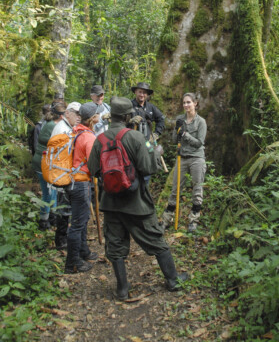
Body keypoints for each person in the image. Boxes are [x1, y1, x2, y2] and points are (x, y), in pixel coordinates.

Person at [87, 96, 188, 300]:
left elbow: (93, 170)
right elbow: (148, 168)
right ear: (127, 116)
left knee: (115, 245)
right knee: (155, 240)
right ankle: (172, 280)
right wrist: (154, 152)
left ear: (110, 116)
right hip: (137, 203)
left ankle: (122, 289)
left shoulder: (100, 140)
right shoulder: (134, 138)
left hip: (111, 203)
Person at [161, 93, 207, 233]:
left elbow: (199, 143)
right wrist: (177, 129)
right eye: (184, 103)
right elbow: (175, 140)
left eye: (189, 102)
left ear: (195, 103)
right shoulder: (180, 119)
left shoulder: (201, 122)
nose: (186, 105)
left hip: (196, 158)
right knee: (175, 189)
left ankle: (193, 220)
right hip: (182, 157)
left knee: (197, 189)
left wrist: (185, 134)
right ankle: (166, 220)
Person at [64, 102, 99, 274]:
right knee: (78, 223)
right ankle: (72, 263)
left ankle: (83, 251)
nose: (99, 117)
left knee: (82, 220)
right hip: (80, 183)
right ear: (93, 119)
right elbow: (93, 164)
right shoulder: (89, 137)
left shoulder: (76, 131)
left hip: (72, 182)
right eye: (97, 114)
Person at [50, 101, 81, 250]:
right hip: (61, 174)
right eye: (75, 113)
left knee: (66, 206)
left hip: (66, 173)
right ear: (67, 113)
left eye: (79, 114)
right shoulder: (61, 129)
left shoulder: (69, 127)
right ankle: (61, 240)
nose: (78, 116)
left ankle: (64, 236)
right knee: (63, 207)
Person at [32, 101, 66, 230]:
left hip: (46, 162)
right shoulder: (53, 126)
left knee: (52, 191)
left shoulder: (50, 123)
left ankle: (52, 216)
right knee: (48, 192)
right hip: (43, 163)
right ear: (62, 116)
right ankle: (44, 220)